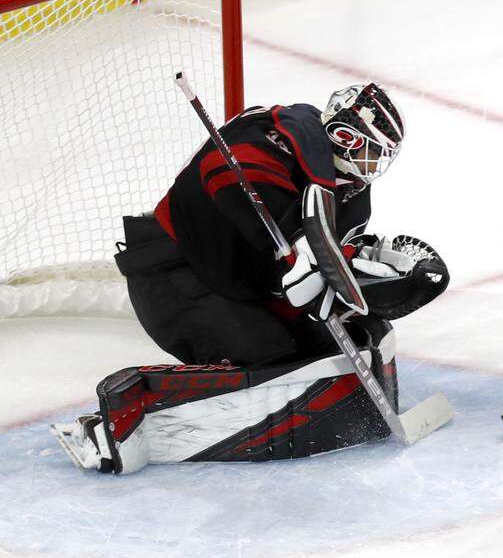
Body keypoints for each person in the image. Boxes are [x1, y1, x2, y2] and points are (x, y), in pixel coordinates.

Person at [50, 84, 450, 473]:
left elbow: (325, 264)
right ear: (344, 135)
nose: (374, 166)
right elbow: (223, 171)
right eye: (371, 151)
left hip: (239, 285)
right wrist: (295, 236)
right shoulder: (275, 133)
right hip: (174, 275)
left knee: (353, 337)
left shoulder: (350, 194)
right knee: (268, 353)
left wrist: (355, 277)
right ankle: (122, 422)